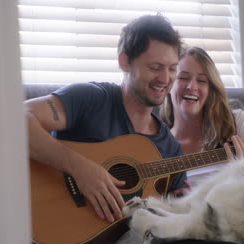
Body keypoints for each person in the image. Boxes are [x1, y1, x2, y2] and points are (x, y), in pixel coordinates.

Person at [24, 14, 187, 224]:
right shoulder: (92, 98)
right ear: (125, 61)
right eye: (154, 67)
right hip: (54, 220)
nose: (165, 79)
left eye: (172, 68)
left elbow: (175, 208)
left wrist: (183, 204)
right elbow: (18, 119)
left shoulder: (170, 148)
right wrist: (79, 168)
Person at [160, 47, 244, 185]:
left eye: (202, 80)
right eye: (183, 78)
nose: (192, 86)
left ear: (211, 89)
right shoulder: (156, 141)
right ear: (169, 84)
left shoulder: (238, 122)